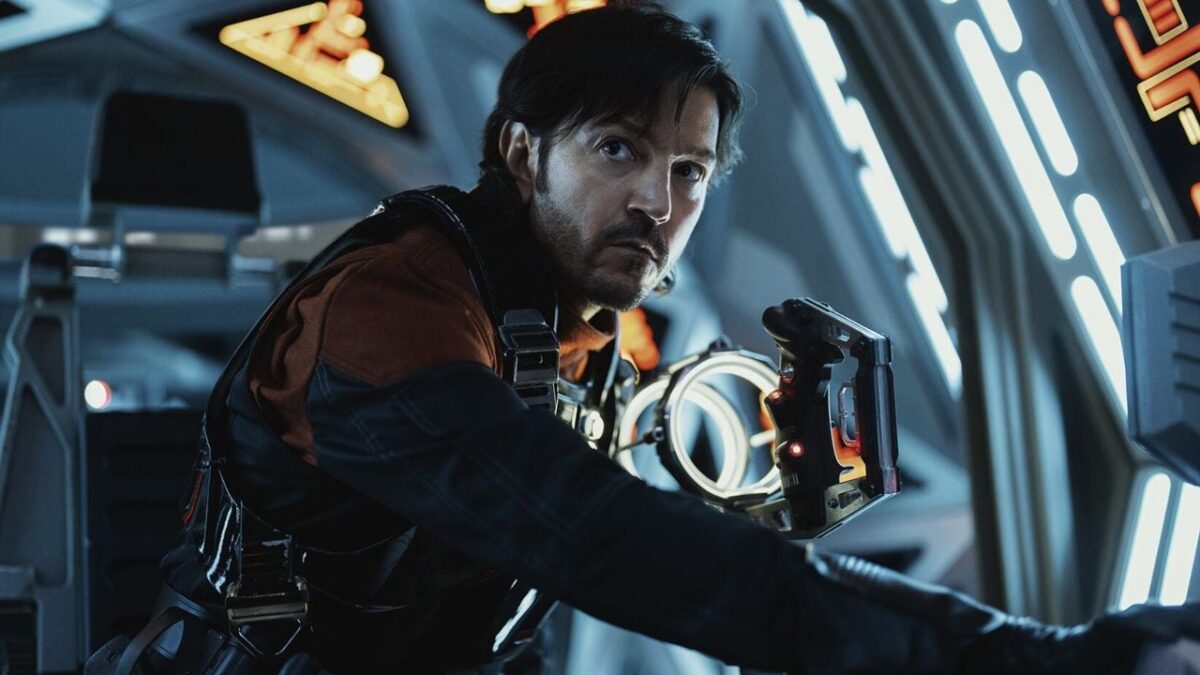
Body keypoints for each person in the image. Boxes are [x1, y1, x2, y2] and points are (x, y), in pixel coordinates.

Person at [90, 4, 1199, 674]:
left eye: (690, 173)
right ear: (522, 154)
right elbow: (590, 534)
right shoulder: (393, 309)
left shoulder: (573, 332)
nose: (658, 204)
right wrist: (1023, 657)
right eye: (617, 150)